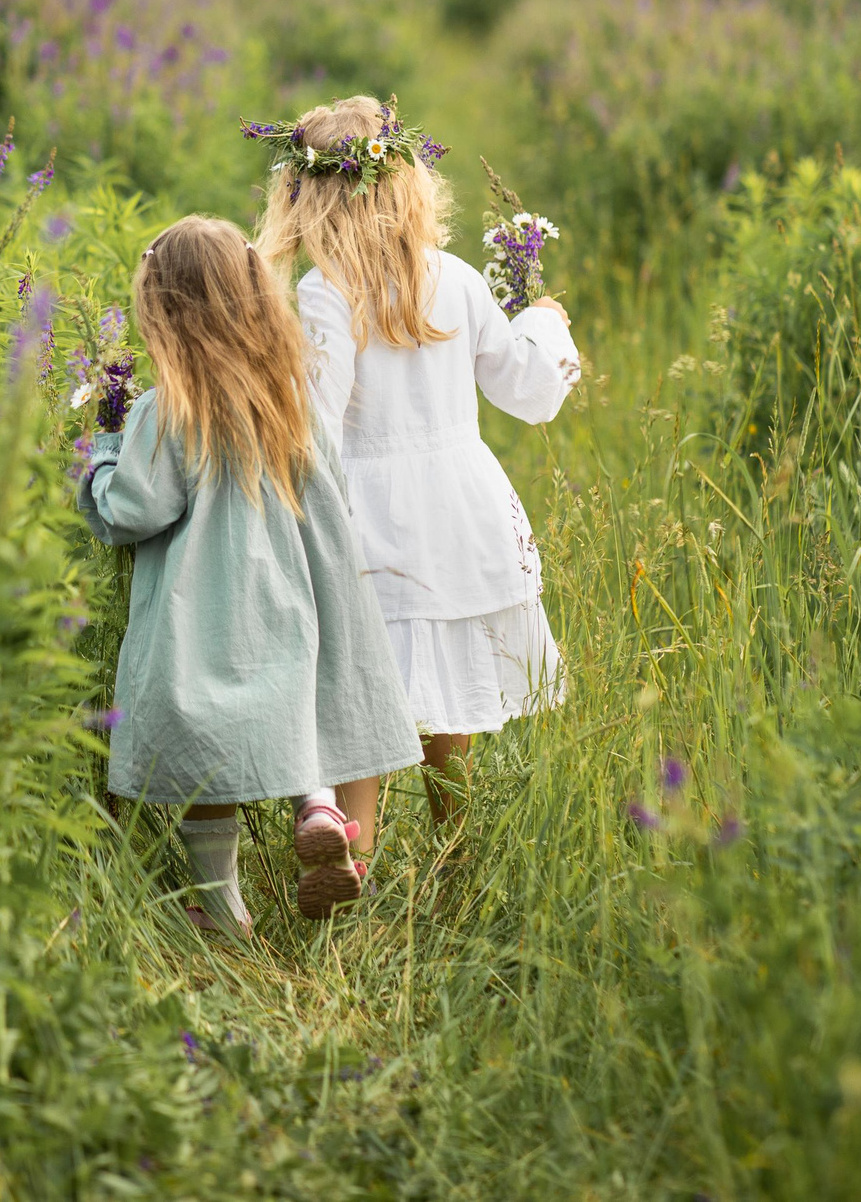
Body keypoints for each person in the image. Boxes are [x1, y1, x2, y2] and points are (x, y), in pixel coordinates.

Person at [78, 216, 422, 933]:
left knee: (209, 742)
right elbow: (332, 496)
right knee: (290, 710)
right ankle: (319, 805)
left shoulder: (167, 409)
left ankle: (221, 906)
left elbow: (135, 508)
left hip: (206, 609)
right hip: (295, 595)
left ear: (164, 316)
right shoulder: (289, 395)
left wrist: (100, 457)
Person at [251, 96, 580, 828]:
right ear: (408, 185)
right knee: (449, 708)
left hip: (371, 518)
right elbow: (524, 388)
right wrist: (544, 325)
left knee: (366, 690)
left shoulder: (324, 292)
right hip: (460, 510)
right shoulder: (456, 278)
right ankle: (453, 850)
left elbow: (319, 429)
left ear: (306, 202)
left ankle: (352, 849)